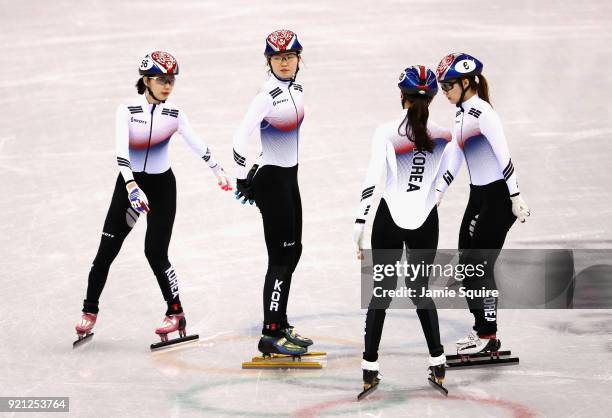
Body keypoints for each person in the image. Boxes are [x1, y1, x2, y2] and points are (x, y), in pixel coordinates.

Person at [74, 51, 231, 346]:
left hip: (161, 188)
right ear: (146, 80)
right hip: (129, 186)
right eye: (161, 80)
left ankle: (176, 313)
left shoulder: (175, 114)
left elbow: (197, 143)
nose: (168, 85)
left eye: (171, 80)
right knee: (106, 251)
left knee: (155, 253)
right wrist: (132, 185)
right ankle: (89, 311)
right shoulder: (127, 110)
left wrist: (217, 169)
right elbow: (122, 152)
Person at [353, 66, 452, 395]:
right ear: (434, 97)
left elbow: (372, 182)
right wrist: (426, 205)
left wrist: (359, 227)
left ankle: (369, 369)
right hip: (426, 221)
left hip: (388, 220)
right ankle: (438, 362)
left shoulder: (386, 132)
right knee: (420, 291)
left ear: (402, 96)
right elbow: (442, 184)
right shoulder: (445, 136)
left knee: (380, 293)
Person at [434, 52, 530, 355]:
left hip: (499, 198)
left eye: (448, 86)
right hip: (479, 198)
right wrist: (437, 194)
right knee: (468, 265)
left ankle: (489, 336)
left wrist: (515, 196)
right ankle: (482, 331)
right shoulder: (462, 114)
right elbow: (455, 157)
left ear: (465, 82)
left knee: (479, 265)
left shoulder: (484, 113)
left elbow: (504, 156)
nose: (445, 93)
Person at [232, 29, 312, 356]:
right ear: (269, 60)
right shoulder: (266, 95)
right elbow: (239, 139)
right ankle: (270, 333)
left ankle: (281, 322)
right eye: (277, 57)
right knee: (280, 258)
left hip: (288, 178)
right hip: (273, 182)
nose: (284, 62)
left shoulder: (298, 89)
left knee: (294, 252)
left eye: (289, 56)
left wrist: (259, 164)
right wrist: (243, 178)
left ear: (298, 59)